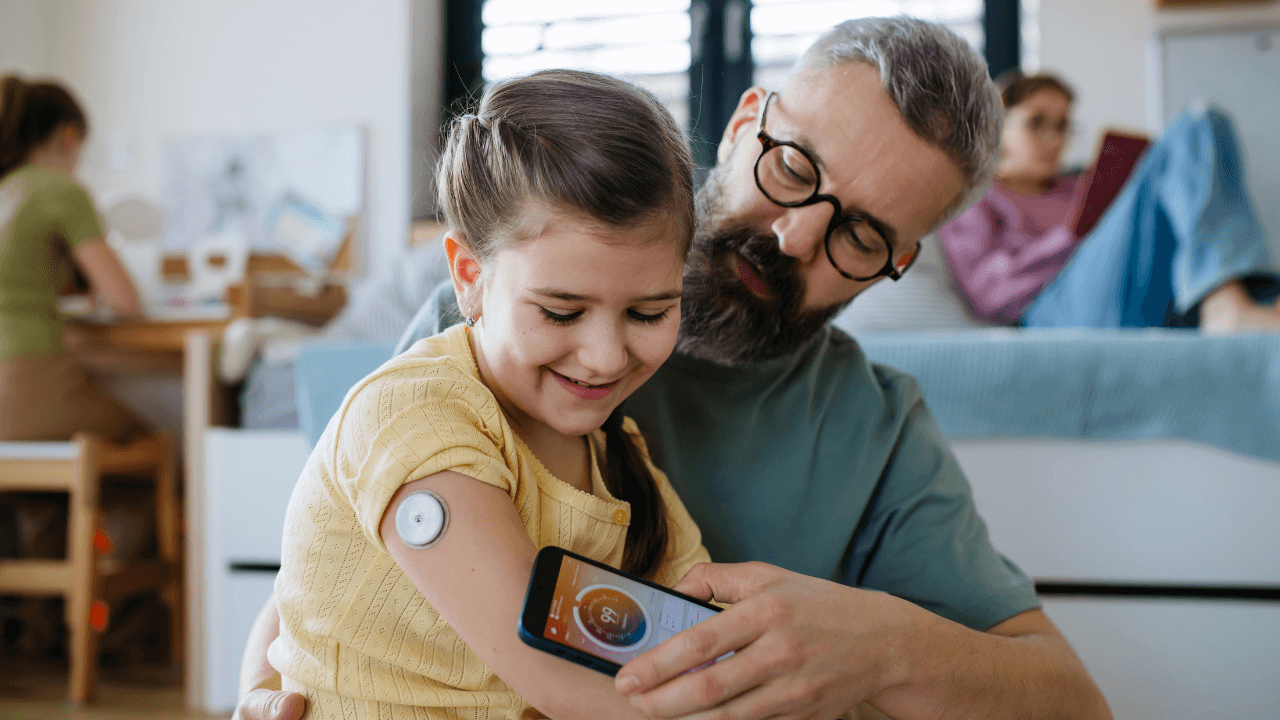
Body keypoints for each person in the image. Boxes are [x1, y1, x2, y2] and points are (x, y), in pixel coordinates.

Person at [239, 18, 1111, 720]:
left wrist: (879, 645)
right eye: (795, 168)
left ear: (901, 262)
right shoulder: (493, 337)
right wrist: (260, 693)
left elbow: (1073, 703)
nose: (795, 234)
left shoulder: (871, 422)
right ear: (742, 127)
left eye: (860, 235)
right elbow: (333, 555)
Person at [267, 69, 713, 718]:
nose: (607, 356)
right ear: (470, 277)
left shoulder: (621, 458)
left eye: (648, 314)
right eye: (561, 312)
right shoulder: (416, 418)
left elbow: (709, 629)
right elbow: (562, 685)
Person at [939, 71, 1280, 330]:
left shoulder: (1078, 188)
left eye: (1062, 126)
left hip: (1124, 289)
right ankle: (1228, 305)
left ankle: (1237, 297)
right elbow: (990, 293)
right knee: (1191, 127)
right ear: (996, 126)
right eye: (1037, 122)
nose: (1054, 139)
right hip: (1049, 313)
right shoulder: (976, 197)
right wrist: (1070, 239)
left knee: (1206, 124)